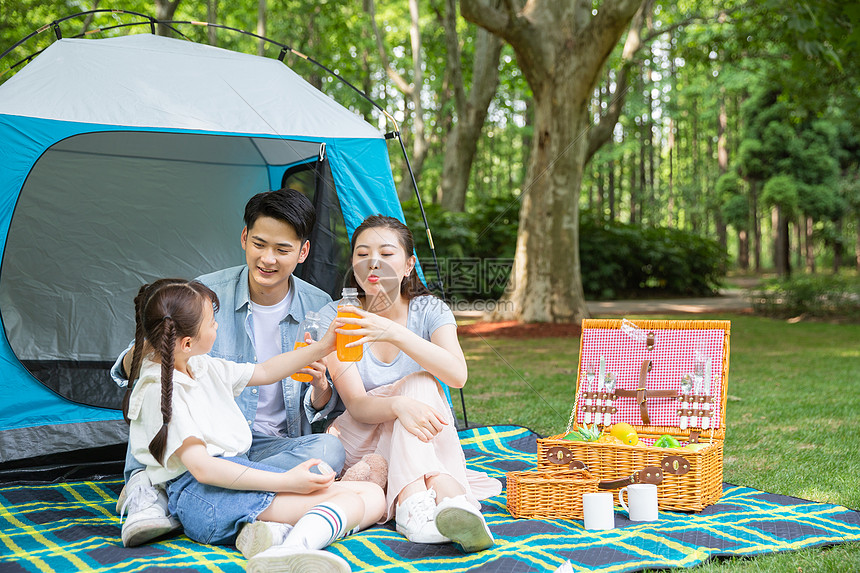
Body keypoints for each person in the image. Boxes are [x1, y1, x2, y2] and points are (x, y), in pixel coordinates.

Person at [112, 188, 345, 547]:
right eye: (259, 244)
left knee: (330, 452)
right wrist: (149, 350)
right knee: (157, 380)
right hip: (204, 444)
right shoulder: (206, 294)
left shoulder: (320, 306)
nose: (267, 259)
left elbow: (292, 386)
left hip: (266, 446)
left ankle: (208, 496)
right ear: (244, 238)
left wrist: (321, 389)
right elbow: (142, 361)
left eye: (282, 250)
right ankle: (146, 484)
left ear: (303, 252)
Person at [123, 278, 384, 571]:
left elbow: (265, 370)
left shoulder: (200, 365)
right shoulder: (160, 388)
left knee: (374, 496)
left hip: (233, 477)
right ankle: (292, 546)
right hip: (203, 495)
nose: (217, 327)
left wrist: (323, 346)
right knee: (355, 500)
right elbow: (204, 469)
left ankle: (281, 539)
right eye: (212, 323)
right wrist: (287, 482)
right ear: (186, 343)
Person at [319, 215, 502, 553]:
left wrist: (394, 333)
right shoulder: (339, 316)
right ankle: (435, 499)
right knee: (416, 385)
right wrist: (399, 405)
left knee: (420, 382)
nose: (373, 262)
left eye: (386, 253)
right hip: (362, 440)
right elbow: (357, 405)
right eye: (362, 254)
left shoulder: (429, 310)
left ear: (408, 265)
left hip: (418, 434)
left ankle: (434, 502)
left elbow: (457, 375)